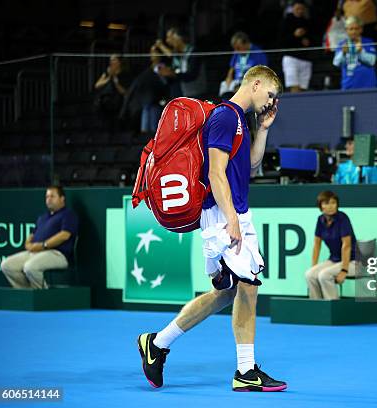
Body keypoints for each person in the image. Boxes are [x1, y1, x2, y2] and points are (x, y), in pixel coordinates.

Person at [137, 65, 287, 392]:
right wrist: (231, 217)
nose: (272, 101)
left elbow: (250, 166)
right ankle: (245, 371)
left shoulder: (240, 121)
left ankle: (157, 343)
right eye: (271, 94)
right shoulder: (224, 117)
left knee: (227, 292)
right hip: (222, 212)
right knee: (247, 285)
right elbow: (216, 173)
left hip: (234, 212)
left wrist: (263, 129)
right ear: (257, 84)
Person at [0, 186, 78, 289]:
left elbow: (64, 235)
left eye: (52, 196)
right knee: (7, 265)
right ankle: (27, 294)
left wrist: (44, 245)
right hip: (35, 252)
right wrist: (28, 244)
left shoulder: (68, 214)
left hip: (57, 254)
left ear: (62, 198)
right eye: (47, 197)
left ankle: (41, 296)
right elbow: (32, 235)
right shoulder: (43, 217)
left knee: (30, 267)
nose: (48, 199)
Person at [305, 190, 357, 300]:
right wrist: (314, 266)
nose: (330, 206)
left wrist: (344, 270)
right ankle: (317, 306)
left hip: (354, 261)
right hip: (334, 260)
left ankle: (332, 308)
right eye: (326, 203)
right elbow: (317, 245)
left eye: (333, 203)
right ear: (321, 206)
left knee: (324, 275)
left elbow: (346, 245)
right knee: (310, 274)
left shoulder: (343, 218)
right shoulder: (320, 220)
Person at [153, 26, 205, 98]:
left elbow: (192, 75)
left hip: (194, 95)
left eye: (169, 37)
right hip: (179, 95)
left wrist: (172, 74)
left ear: (178, 38)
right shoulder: (177, 54)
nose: (167, 41)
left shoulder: (193, 52)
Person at [333, 16, 377, 90]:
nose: (354, 31)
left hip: (368, 86)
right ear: (346, 30)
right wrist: (343, 53)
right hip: (348, 86)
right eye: (351, 29)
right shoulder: (342, 44)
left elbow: (372, 61)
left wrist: (360, 52)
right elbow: (336, 63)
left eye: (356, 29)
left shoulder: (368, 42)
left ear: (361, 29)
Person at [279, 1, 314, 92]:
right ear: (292, 9)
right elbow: (281, 41)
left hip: (305, 59)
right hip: (291, 58)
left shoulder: (307, 22)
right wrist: (294, 35)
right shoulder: (286, 21)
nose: (300, 11)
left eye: (302, 9)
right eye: (297, 9)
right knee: (294, 86)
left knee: (303, 88)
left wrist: (307, 41)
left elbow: (314, 38)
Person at [221, 32, 268, 96]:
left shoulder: (258, 53)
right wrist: (228, 80)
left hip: (251, 82)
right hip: (237, 82)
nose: (236, 51)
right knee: (224, 85)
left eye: (238, 48)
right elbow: (231, 70)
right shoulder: (237, 53)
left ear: (246, 44)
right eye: (235, 49)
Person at [93, 54, 132, 128]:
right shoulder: (107, 74)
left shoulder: (125, 74)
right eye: (110, 60)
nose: (111, 62)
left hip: (118, 103)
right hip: (105, 103)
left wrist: (115, 81)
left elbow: (125, 92)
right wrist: (109, 77)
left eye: (114, 60)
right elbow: (97, 85)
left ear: (119, 62)